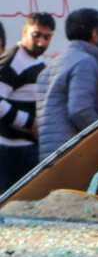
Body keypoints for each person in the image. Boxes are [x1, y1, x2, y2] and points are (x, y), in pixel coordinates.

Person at [37, 8, 98, 161]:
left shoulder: (51, 66)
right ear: (94, 35)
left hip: (50, 155)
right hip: (73, 154)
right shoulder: (85, 62)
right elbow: (80, 110)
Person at [0, 12, 55, 192]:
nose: (42, 42)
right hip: (11, 151)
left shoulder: (35, 59)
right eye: (36, 35)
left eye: (47, 37)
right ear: (25, 31)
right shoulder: (13, 61)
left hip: (27, 148)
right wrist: (29, 123)